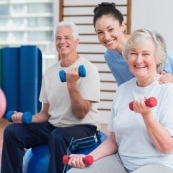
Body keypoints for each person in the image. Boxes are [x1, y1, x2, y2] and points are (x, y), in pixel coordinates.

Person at [67, 29, 173, 173]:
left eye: (145, 54)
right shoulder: (123, 90)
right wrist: (89, 158)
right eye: (133, 53)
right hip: (123, 163)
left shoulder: (168, 90)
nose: (139, 60)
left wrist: (147, 115)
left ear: (157, 59)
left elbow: (167, 147)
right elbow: (114, 140)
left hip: (162, 165)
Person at [1, 21, 101, 173]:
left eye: (67, 37)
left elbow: (81, 113)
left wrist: (72, 85)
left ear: (76, 41)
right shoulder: (49, 73)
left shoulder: (89, 70)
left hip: (84, 128)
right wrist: (23, 118)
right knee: (12, 132)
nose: (62, 42)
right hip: (55, 126)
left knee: (58, 136)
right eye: (58, 38)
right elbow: (46, 114)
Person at [93, 2, 173, 88]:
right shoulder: (110, 56)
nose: (106, 37)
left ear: (123, 26)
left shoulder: (147, 43)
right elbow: (124, 87)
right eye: (100, 32)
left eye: (111, 29)